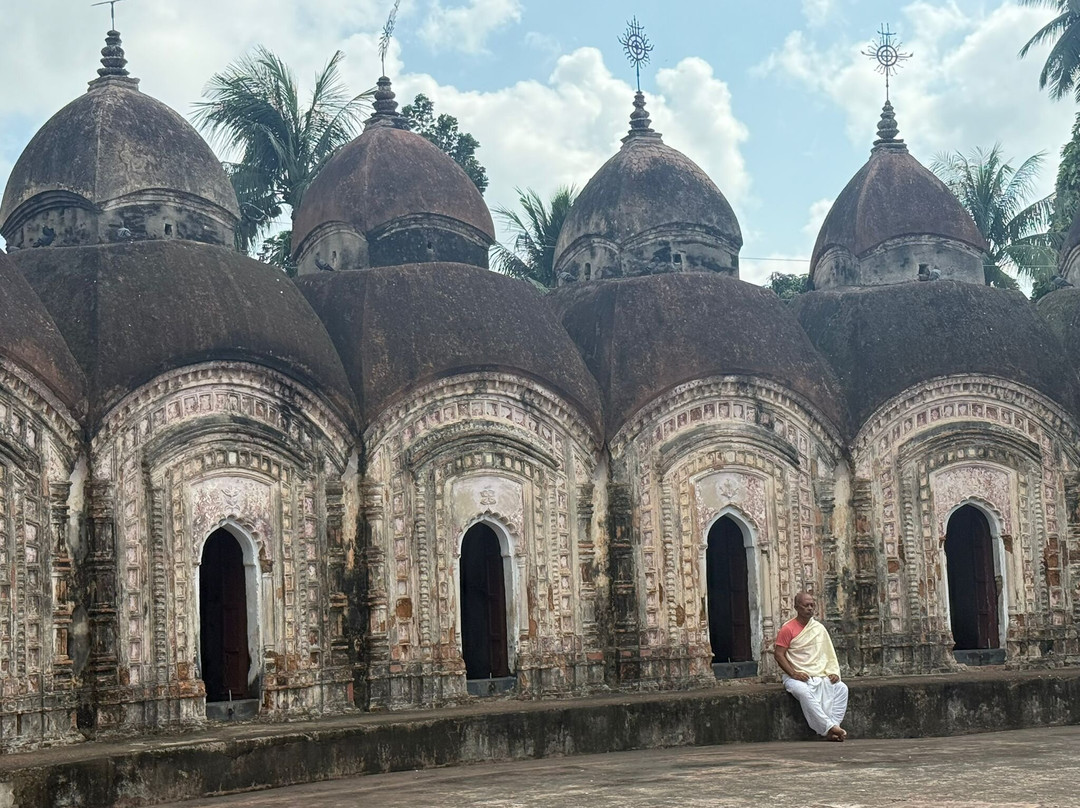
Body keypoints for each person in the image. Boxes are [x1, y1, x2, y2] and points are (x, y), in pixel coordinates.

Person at [773, 590, 848, 741]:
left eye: (812, 605)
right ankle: (828, 728)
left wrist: (832, 672)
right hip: (796, 676)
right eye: (806, 605)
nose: (810, 608)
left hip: (819, 674)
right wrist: (794, 673)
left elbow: (827, 654)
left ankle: (833, 727)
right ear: (797, 607)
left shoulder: (818, 628)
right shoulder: (787, 629)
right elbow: (779, 654)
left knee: (842, 688)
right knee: (803, 692)